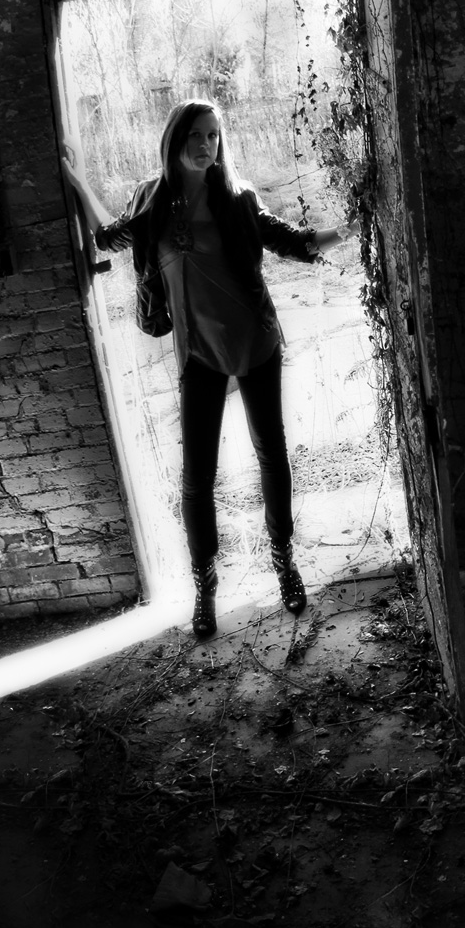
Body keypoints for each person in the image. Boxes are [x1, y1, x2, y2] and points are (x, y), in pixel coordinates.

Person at [61, 100, 339, 639]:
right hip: (199, 354)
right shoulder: (153, 202)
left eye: (213, 135)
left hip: (255, 341)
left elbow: (294, 242)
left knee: (271, 453)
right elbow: (107, 237)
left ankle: (284, 562)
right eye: (195, 135)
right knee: (197, 477)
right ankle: (204, 586)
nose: (205, 145)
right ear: (175, 140)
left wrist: (349, 227)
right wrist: (76, 180)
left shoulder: (238, 198)